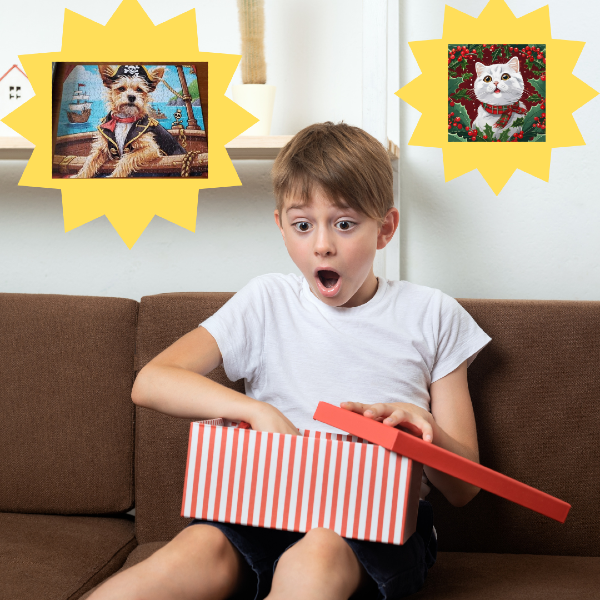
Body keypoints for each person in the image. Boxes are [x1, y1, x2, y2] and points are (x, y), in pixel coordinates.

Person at [87, 121, 491, 600]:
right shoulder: (266, 299)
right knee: (191, 549)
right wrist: (256, 411)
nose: (322, 244)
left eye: (344, 224)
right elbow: (152, 381)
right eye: (303, 225)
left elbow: (466, 488)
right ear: (281, 227)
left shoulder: (433, 314)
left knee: (317, 553)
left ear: (384, 229)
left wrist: (419, 432)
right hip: (262, 506)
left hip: (372, 523)